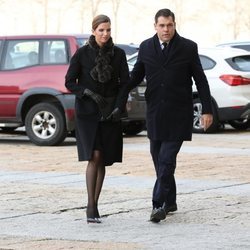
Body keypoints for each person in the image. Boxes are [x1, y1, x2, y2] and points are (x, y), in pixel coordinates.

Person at [123, 9, 213, 223]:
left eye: (169, 25)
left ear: (174, 24)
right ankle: (170, 200)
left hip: (179, 113)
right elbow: (136, 76)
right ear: (155, 26)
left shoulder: (188, 47)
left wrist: (207, 110)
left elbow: (200, 80)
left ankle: (158, 205)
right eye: (162, 25)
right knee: (158, 160)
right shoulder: (146, 47)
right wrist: (118, 90)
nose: (166, 29)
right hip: (155, 113)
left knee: (166, 160)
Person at [65, 14, 129, 224]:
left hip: (109, 112)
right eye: (101, 30)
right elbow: (69, 82)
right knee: (95, 154)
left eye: (108, 30)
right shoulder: (82, 53)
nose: (105, 34)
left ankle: (95, 203)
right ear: (93, 31)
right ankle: (91, 205)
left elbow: (124, 84)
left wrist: (119, 106)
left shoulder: (118, 54)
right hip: (87, 113)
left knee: (102, 157)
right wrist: (88, 93)